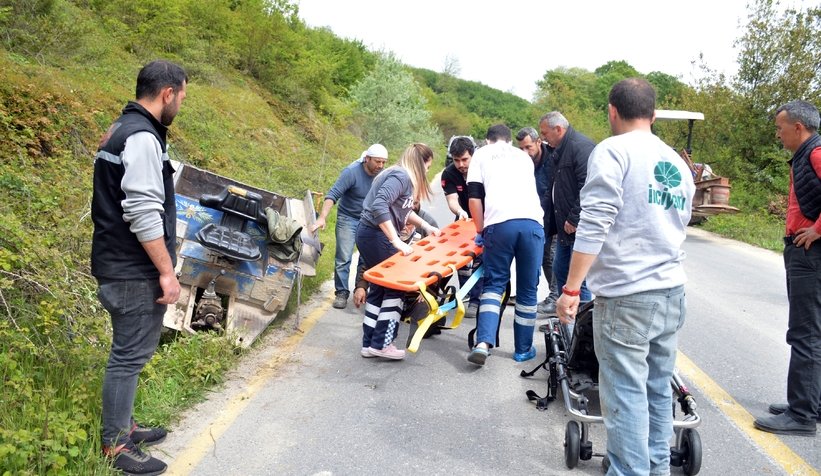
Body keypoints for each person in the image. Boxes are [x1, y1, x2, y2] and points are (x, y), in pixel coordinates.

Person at [556, 78, 695, 475]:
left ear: (612, 111)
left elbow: (595, 222)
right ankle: (656, 468)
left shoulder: (613, 151)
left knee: (625, 396)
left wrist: (570, 289)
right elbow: (678, 222)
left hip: (627, 296)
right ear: (653, 114)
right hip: (671, 291)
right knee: (655, 389)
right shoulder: (676, 163)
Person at [91, 60, 188, 476]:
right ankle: (115, 444)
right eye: (182, 97)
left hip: (118, 262)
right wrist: (167, 272)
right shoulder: (143, 138)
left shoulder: (121, 128)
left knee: (131, 353)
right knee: (128, 357)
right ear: (167, 93)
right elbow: (144, 211)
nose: (181, 104)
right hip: (132, 270)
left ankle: (124, 425)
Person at [754, 100, 821, 437]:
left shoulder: (816, 152)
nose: (778, 134)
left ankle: (801, 414)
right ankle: (813, 401)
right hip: (807, 252)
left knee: (805, 333)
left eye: (781, 128)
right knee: (815, 332)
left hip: (811, 254)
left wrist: (819, 229)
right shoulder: (809, 152)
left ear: (798, 127)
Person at [466, 123, 545, 366]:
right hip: (532, 224)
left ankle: (483, 343)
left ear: (488, 140)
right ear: (510, 141)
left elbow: (474, 198)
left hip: (500, 225)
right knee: (528, 290)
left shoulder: (480, 154)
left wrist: (480, 230)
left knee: (494, 285)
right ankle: (523, 349)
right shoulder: (524, 157)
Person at [355, 143, 442, 360]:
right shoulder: (401, 176)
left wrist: (426, 226)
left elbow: (402, 209)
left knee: (379, 287)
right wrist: (395, 240)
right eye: (428, 167)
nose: (427, 172)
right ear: (420, 164)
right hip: (376, 235)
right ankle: (383, 344)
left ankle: (370, 344)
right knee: (396, 288)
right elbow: (379, 205)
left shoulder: (396, 174)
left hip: (368, 233)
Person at [311, 144, 388, 309]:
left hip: (369, 221)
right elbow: (333, 194)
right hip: (348, 218)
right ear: (367, 158)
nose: (380, 166)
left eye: (383, 162)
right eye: (377, 162)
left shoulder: (383, 174)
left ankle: (360, 290)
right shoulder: (351, 172)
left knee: (366, 258)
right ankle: (341, 292)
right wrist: (322, 217)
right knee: (344, 257)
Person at [540, 111, 595, 302]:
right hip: (564, 226)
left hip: (577, 226)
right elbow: (554, 186)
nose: (543, 138)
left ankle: (581, 323)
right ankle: (565, 321)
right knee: (560, 269)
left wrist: (574, 218)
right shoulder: (559, 150)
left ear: (558, 129)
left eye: (545, 133)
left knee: (578, 279)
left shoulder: (580, 147)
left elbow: (588, 188)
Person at [516, 127, 560, 315]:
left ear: (538, 143)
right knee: (543, 258)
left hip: (556, 216)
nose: (525, 153)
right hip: (536, 218)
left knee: (554, 257)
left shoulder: (554, 159)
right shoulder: (521, 163)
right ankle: (555, 297)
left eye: (528, 147)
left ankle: (556, 298)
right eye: (521, 149)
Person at [441, 136, 483, 318]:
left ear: (472, 155)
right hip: (463, 220)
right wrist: (460, 211)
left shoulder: (483, 169)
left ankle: (476, 300)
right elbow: (452, 199)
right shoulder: (449, 173)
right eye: (457, 160)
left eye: (465, 159)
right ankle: (464, 294)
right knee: (462, 260)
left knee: (481, 259)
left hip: (484, 218)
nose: (461, 164)